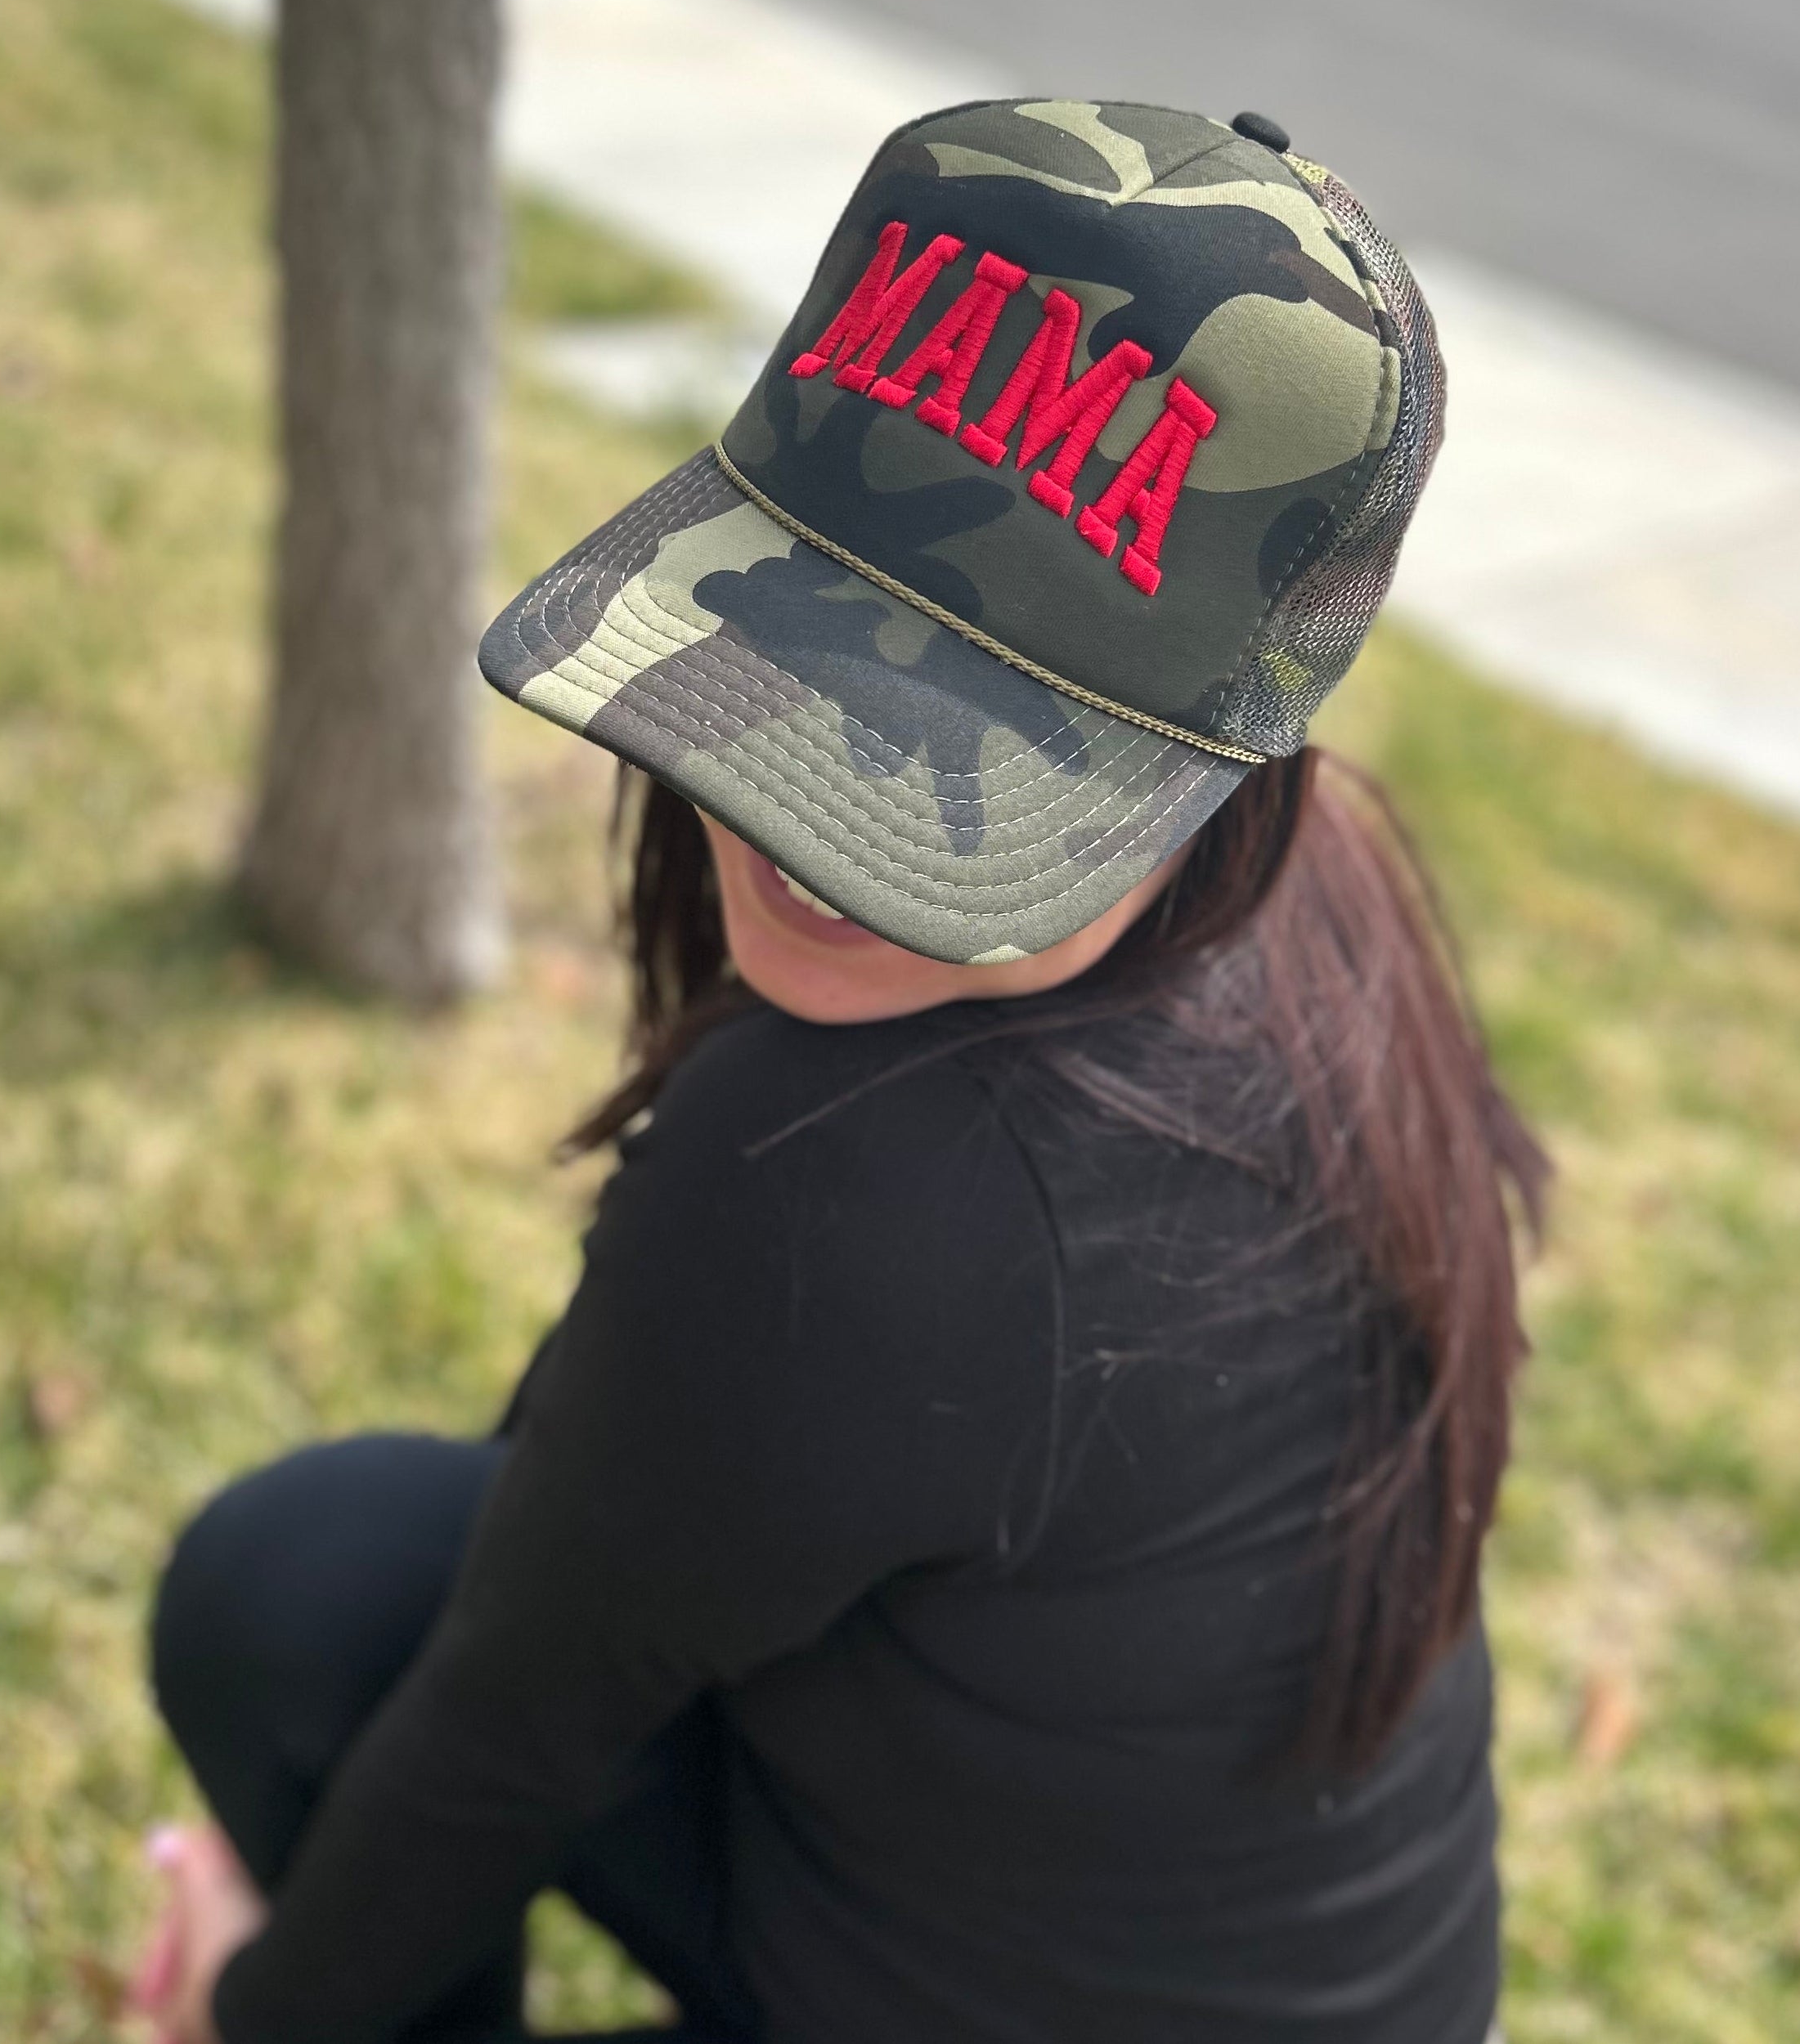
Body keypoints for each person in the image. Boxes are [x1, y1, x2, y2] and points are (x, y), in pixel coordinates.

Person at [133, 100, 1546, 2044]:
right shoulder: (1312, 905)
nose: (805, 848)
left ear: (1202, 763)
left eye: (986, 752)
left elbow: (505, 1730)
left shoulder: (867, 1183)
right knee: (332, 1574)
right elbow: (578, 1530)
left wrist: (250, 2003)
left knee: (299, 1600)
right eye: (816, 653)